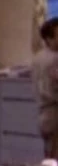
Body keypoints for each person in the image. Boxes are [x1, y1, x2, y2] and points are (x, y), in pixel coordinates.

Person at [33, 16, 58, 157]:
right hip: (54, 113)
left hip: (44, 114)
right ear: (49, 39)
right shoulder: (54, 59)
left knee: (49, 155)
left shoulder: (38, 57)